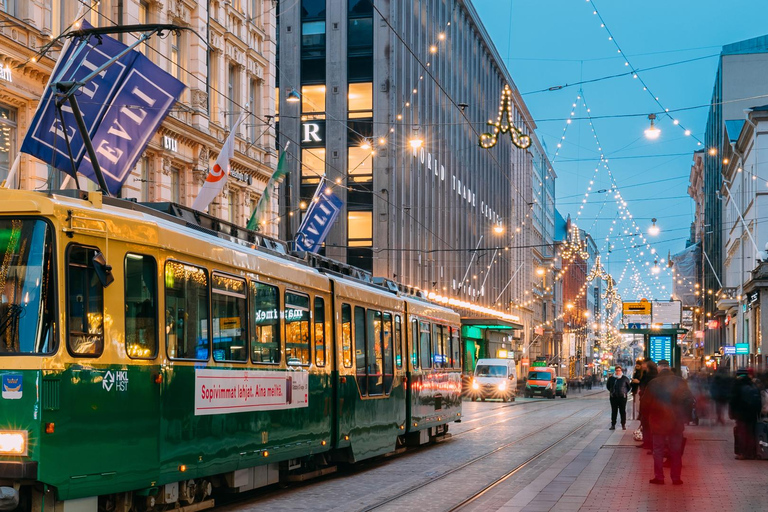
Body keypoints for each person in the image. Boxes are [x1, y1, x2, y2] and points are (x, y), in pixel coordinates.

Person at [643, 359, 694, 485]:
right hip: (676, 421)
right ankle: (676, 478)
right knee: (676, 450)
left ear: (659, 368)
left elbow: (645, 404)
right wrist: (684, 417)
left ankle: (659, 477)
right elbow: (689, 400)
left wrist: (647, 419)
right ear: (669, 368)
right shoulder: (680, 382)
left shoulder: (653, 383)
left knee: (658, 450)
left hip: (658, 421)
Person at [729, 367, 761, 460]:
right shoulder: (752, 384)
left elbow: (733, 400)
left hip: (741, 414)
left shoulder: (737, 384)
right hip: (753, 414)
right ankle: (752, 453)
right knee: (751, 433)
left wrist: (732, 413)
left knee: (742, 433)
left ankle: (743, 453)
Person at [637, 359, 658, 450]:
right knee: (648, 424)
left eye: (644, 364)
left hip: (647, 403)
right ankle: (648, 443)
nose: (643, 365)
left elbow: (644, 389)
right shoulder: (655, 376)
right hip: (652, 403)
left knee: (646, 423)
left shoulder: (648, 377)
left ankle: (648, 443)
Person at [607, 365, 631, 430]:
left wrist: (624, 392)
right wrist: (612, 392)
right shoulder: (611, 378)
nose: (618, 372)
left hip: (622, 397)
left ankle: (623, 424)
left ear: (621, 371)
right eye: (617, 370)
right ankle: (613, 425)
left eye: (619, 370)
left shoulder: (625, 378)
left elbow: (628, 387)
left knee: (622, 411)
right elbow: (608, 386)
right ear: (615, 371)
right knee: (614, 411)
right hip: (613, 397)